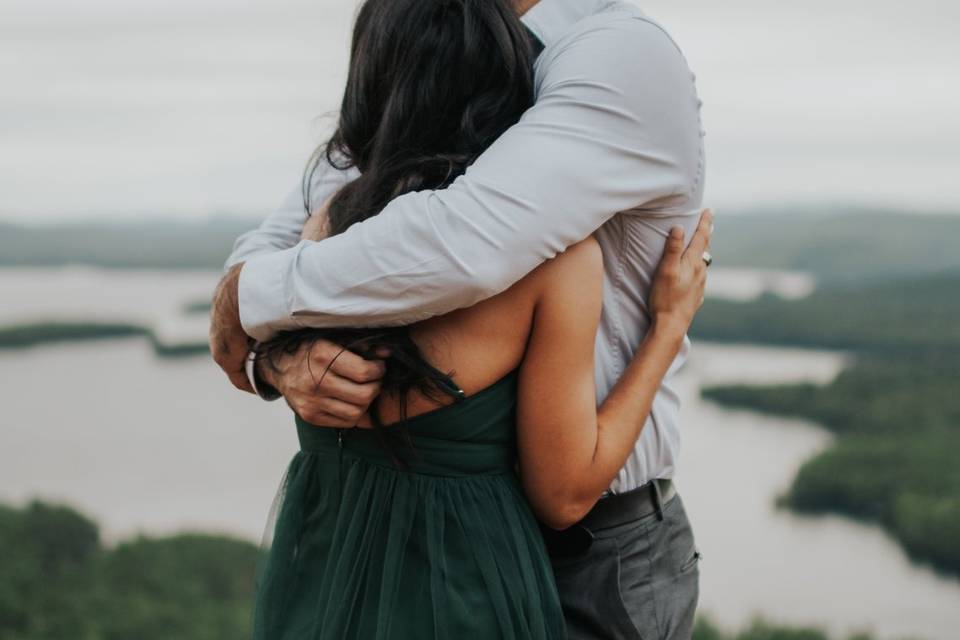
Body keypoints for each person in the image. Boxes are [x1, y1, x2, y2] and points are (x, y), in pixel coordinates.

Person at [211, 0, 708, 637]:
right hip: (497, 567)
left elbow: (268, 273)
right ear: (503, 89)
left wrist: (265, 331)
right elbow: (464, 246)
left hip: (347, 565)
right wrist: (666, 331)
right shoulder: (556, 264)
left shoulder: (329, 227)